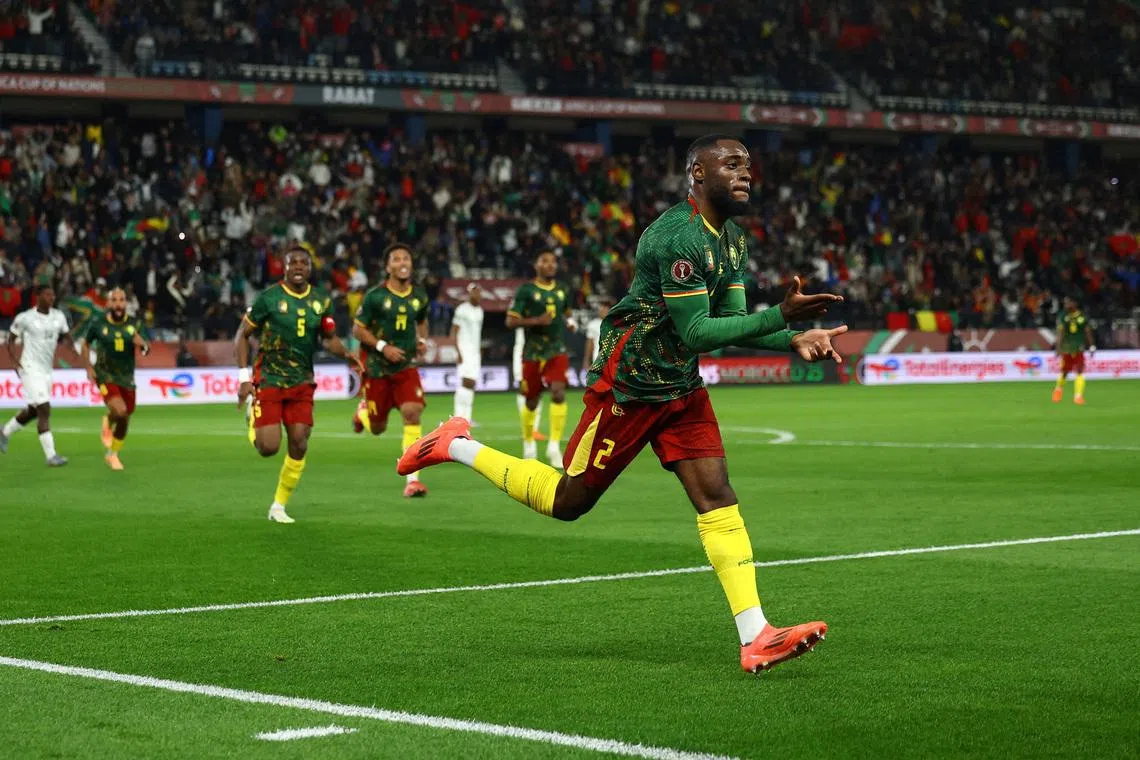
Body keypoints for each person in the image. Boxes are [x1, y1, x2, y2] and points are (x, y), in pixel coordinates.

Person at [399, 135, 848, 674]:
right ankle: (457, 444)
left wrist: (791, 338)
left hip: (679, 385)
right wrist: (782, 318)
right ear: (697, 174)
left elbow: (728, 323)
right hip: (630, 383)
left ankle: (756, 636)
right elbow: (700, 330)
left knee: (716, 494)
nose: (745, 173)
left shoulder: (729, 241)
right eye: (731, 164)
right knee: (568, 502)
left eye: (748, 165)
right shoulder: (675, 238)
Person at [236, 245, 362, 523]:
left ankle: (278, 506)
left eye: (303, 263)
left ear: (310, 268)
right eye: (293, 263)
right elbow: (242, 336)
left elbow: (327, 337)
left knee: (299, 443)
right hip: (269, 378)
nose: (298, 267)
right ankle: (252, 414)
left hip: (303, 381)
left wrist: (348, 354)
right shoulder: (269, 298)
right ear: (284, 267)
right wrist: (244, 378)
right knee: (268, 448)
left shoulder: (320, 301)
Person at [350, 243, 430, 498]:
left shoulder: (420, 296)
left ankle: (412, 480)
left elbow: (422, 320)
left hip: (406, 366)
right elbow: (358, 329)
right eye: (396, 259)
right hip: (377, 368)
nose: (402, 262)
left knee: (412, 412)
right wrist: (383, 347)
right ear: (388, 267)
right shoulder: (375, 297)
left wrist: (422, 341)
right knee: (377, 428)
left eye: (406, 258)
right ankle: (362, 413)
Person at [506, 251, 572, 465]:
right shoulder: (526, 290)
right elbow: (511, 321)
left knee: (558, 393)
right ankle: (528, 443)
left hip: (556, 349)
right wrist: (537, 321)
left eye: (553, 261)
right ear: (536, 265)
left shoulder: (563, 289)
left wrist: (570, 322)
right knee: (531, 401)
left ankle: (554, 447)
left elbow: (567, 312)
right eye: (544, 261)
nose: (550, 265)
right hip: (532, 352)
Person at [75, 287, 151, 471]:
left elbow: (147, 348)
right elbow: (84, 344)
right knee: (121, 411)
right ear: (108, 303)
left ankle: (112, 452)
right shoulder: (98, 324)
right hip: (105, 374)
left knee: (125, 416)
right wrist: (88, 367)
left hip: (126, 377)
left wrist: (143, 346)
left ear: (126, 303)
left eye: (121, 300)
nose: (118, 304)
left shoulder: (135, 324)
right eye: (114, 300)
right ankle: (112, 438)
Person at [0, 284, 71, 465]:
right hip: (29, 368)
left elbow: (67, 337)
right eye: (47, 294)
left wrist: (76, 355)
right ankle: (51, 456)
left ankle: (4, 432)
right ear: (37, 296)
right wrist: (15, 362)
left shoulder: (59, 316)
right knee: (44, 408)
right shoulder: (26, 318)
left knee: (33, 410)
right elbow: (10, 340)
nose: (51, 298)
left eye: (52, 294)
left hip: (46, 370)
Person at [1053, 296, 1095, 405]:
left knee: (1080, 371)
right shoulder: (1063, 316)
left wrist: (1092, 345)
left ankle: (1078, 396)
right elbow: (1060, 333)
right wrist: (1058, 348)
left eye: (1068, 303)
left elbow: (1087, 332)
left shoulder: (1082, 317)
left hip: (1079, 347)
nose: (1065, 305)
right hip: (1067, 348)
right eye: (1065, 303)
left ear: (1074, 303)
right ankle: (1058, 389)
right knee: (1065, 372)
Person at [451, 283, 484, 422]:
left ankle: (467, 418)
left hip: (475, 352)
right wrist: (457, 351)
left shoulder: (480, 311)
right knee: (465, 382)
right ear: (469, 293)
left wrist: (479, 350)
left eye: (478, 292)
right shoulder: (462, 310)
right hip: (464, 350)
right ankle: (458, 416)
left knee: (472, 384)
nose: (477, 295)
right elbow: (454, 332)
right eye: (474, 292)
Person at [513, 327, 545, 442]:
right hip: (524, 357)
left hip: (537, 355)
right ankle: (527, 430)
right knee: (525, 391)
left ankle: (534, 429)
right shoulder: (523, 321)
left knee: (538, 391)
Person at [582, 297, 613, 375]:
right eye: (601, 307)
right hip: (598, 360)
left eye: (606, 308)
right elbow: (590, 343)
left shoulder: (617, 324)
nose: (603, 309)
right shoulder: (593, 324)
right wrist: (586, 360)